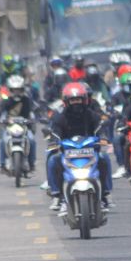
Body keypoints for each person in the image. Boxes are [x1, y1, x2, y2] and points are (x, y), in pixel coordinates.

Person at [47, 82, 113, 211]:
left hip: (90, 151)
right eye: (72, 100)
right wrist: (54, 141)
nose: (76, 103)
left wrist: (103, 137)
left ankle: (105, 194)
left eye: (78, 99)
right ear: (66, 101)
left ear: (85, 100)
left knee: (104, 158)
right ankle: (58, 196)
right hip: (67, 153)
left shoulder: (91, 114)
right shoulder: (60, 116)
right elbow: (55, 131)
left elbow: (99, 127)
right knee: (53, 160)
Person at [0, 75, 37, 174]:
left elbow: (31, 114)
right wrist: (2, 119)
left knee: (32, 140)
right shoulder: (6, 101)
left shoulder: (27, 100)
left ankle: (31, 164)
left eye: (19, 90)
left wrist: (31, 120)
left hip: (24, 127)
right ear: (10, 90)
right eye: (14, 90)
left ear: (22, 89)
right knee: (3, 141)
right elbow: (1, 114)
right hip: (10, 128)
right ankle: (2, 165)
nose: (17, 92)